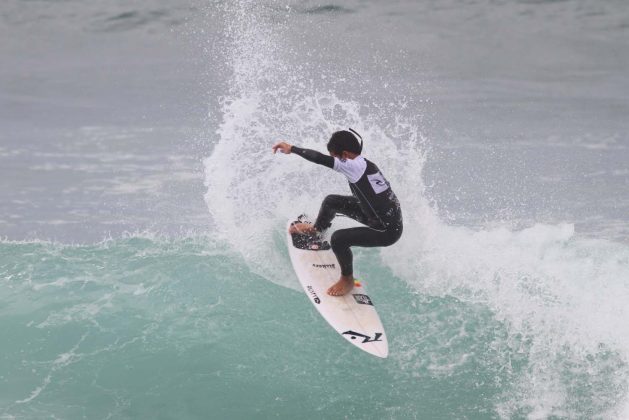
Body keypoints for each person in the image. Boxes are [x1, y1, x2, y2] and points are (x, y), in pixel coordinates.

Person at [272, 129, 403, 296]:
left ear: (345, 154)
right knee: (331, 201)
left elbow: (319, 158)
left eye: (335, 157)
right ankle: (317, 230)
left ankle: (347, 279)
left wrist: (292, 148)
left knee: (339, 239)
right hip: (377, 215)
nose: (334, 161)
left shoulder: (353, 165)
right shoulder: (365, 164)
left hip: (387, 230)